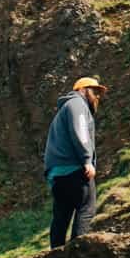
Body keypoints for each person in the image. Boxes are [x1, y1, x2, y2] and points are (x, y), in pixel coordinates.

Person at [45, 75, 105, 247]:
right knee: (87, 207)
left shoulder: (63, 110)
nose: (97, 96)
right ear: (82, 90)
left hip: (57, 174)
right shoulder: (77, 104)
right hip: (74, 169)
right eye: (94, 91)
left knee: (62, 215)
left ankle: (55, 255)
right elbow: (80, 131)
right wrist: (87, 160)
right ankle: (78, 250)